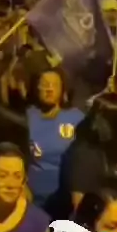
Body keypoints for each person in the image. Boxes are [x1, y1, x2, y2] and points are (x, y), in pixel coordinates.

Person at [57, 92, 117, 214]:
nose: (96, 122)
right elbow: (79, 206)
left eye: (103, 118)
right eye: (94, 115)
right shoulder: (84, 154)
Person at [26, 68, 84, 208]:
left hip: (66, 200)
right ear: (36, 88)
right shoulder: (26, 117)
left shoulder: (77, 118)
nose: (49, 89)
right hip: (32, 198)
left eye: (54, 85)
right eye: (44, 84)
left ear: (63, 90)